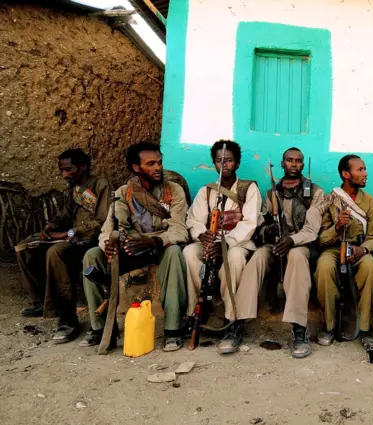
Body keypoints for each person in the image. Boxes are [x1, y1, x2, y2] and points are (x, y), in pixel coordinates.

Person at [81, 142, 189, 351]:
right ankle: (101, 329)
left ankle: (173, 330)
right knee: (91, 256)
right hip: (132, 247)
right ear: (136, 167)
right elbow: (109, 228)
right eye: (151, 164)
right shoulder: (123, 193)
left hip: (160, 245)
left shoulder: (173, 191)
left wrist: (156, 241)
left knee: (175, 252)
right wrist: (109, 246)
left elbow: (179, 229)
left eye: (159, 162)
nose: (158, 167)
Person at [15, 149, 111, 344]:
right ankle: (42, 302)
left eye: (69, 169)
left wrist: (69, 233)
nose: (65, 174)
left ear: (83, 167)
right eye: (62, 170)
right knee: (24, 247)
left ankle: (67, 317)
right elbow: (65, 215)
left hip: (89, 240)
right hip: (69, 236)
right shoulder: (73, 189)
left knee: (56, 252)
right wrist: (52, 227)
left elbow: (102, 221)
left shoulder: (100, 185)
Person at [239, 148, 324, 358]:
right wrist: (268, 230)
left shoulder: (315, 192)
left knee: (296, 255)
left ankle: (299, 330)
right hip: (276, 244)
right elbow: (262, 224)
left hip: (302, 245)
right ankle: (236, 322)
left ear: (303, 165)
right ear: (282, 163)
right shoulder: (272, 193)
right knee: (259, 256)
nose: (293, 164)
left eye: (298, 161)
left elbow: (312, 230)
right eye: (289, 160)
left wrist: (291, 240)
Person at [183, 140, 262, 354]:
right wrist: (202, 236)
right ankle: (196, 313)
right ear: (214, 164)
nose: (223, 165)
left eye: (228, 160)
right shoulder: (206, 191)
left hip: (237, 242)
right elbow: (194, 220)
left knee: (235, 258)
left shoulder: (249, 188)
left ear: (237, 163)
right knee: (190, 252)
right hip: (211, 243)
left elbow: (250, 223)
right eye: (219, 161)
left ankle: (232, 321)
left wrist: (226, 243)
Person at [314, 154, 373, 347]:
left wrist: (362, 250)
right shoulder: (330, 199)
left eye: (364, 169)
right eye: (360, 170)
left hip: (360, 249)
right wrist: (337, 227)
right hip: (335, 249)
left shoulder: (370, 202)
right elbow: (321, 238)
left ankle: (365, 328)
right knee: (324, 267)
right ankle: (329, 325)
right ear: (346, 174)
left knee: (371, 268)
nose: (365, 173)